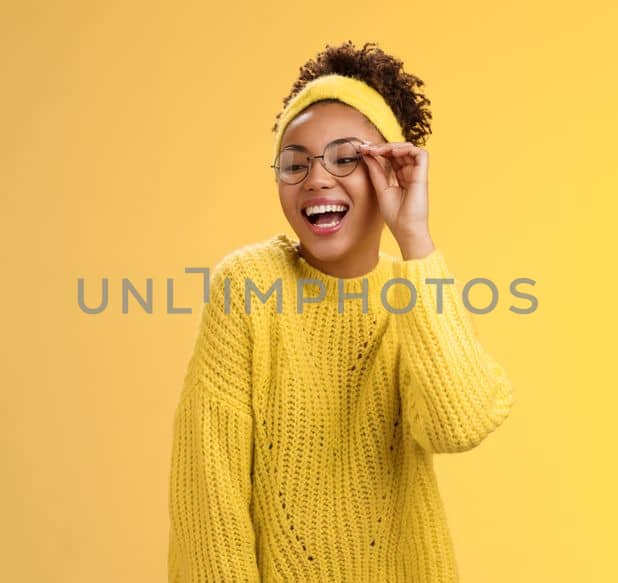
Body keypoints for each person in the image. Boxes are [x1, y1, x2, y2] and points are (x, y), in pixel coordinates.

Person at [168, 41, 515, 582]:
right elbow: (210, 496)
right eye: (295, 163)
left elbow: (459, 423)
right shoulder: (247, 287)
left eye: (346, 158)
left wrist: (416, 239)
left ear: (389, 171)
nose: (317, 179)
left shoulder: (419, 298)